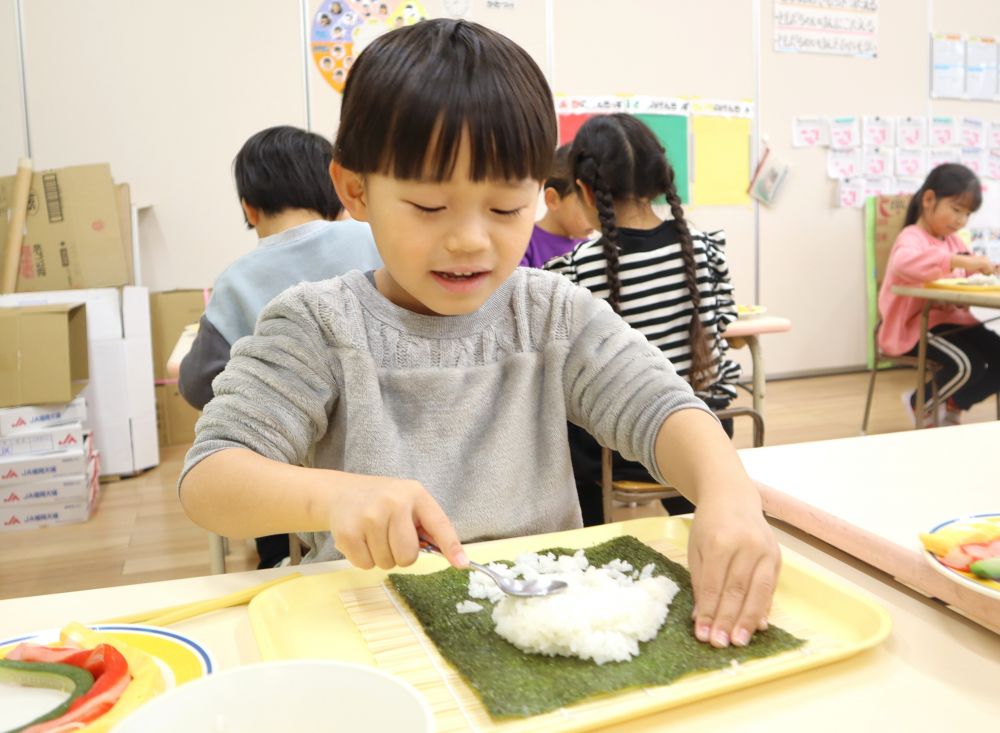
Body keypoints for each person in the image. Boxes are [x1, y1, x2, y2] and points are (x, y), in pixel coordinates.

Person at [179, 19, 778, 649]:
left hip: (538, 627)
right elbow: (211, 479)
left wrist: (726, 493)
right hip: (372, 626)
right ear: (355, 191)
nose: (469, 240)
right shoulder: (317, 326)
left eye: (504, 209)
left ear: (538, 197)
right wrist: (332, 497)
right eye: (429, 208)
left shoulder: (551, 313)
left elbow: (662, 409)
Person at [178, 124, 382, 568]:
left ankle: (276, 566)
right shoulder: (373, 239)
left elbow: (196, 385)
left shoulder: (238, 278)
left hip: (294, 476)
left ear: (250, 208)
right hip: (386, 447)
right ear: (340, 192)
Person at [544, 113, 741, 526]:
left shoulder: (573, 270)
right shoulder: (707, 250)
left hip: (623, 451)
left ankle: (589, 536)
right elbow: (728, 334)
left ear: (583, 189)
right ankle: (700, 512)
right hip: (709, 437)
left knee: (564, 417)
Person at [878, 163, 1000, 427]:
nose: (961, 220)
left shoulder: (954, 241)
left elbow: (967, 274)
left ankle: (954, 403)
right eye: (956, 210)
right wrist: (960, 262)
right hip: (914, 326)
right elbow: (903, 264)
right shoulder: (911, 237)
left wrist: (985, 269)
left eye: (967, 214)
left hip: (955, 323)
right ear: (929, 199)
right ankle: (920, 403)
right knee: (968, 364)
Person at [520, 144, 593, 268]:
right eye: (584, 202)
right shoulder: (524, 241)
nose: (596, 214)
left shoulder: (588, 248)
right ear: (552, 199)